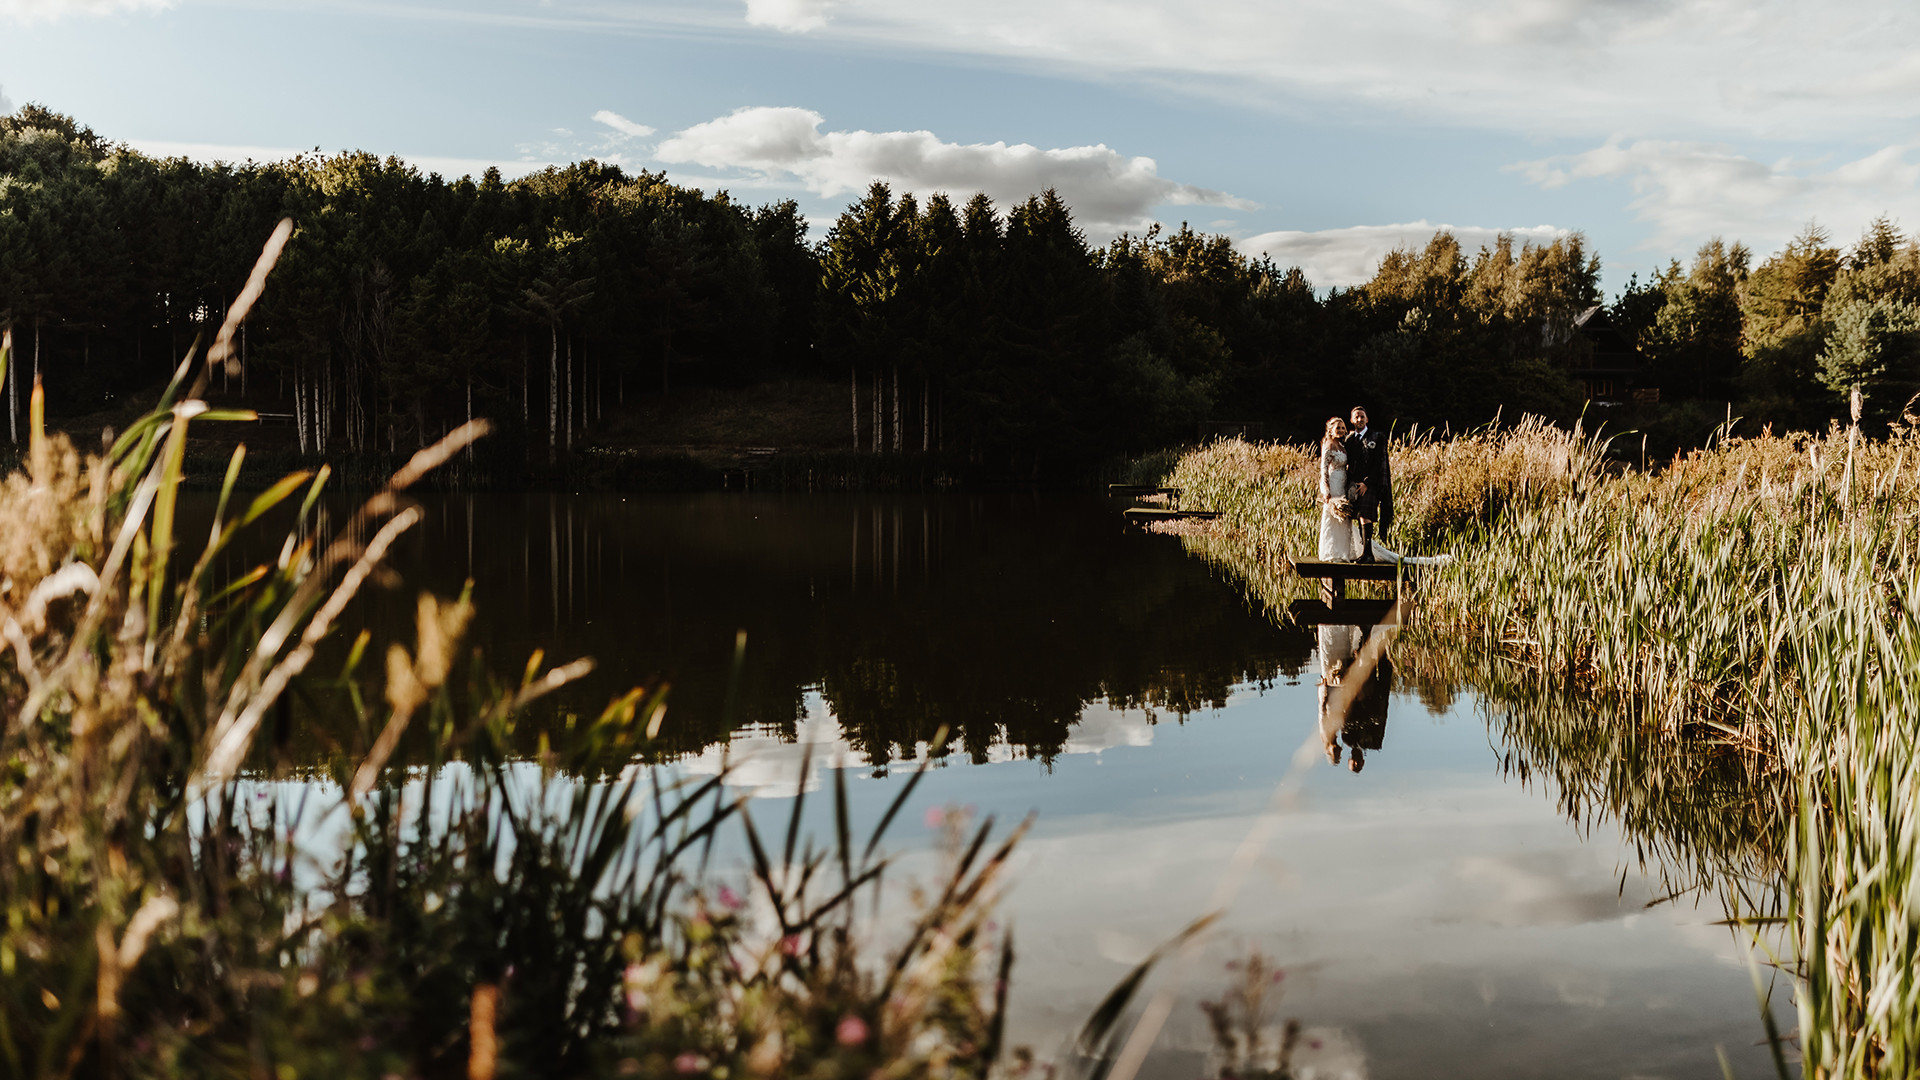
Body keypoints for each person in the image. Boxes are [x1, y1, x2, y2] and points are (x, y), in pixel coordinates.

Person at [1343, 406, 1392, 563]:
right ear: (1352, 420)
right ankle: (1359, 552)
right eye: (1356, 417)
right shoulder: (1349, 440)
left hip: (1370, 484)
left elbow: (1379, 463)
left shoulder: (1377, 437)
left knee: (1365, 516)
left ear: (1367, 419)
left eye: (1362, 416)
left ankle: (1368, 554)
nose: (1359, 419)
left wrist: (1366, 483)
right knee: (1355, 516)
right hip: (1353, 485)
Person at [1317, 417, 1360, 561]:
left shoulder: (1342, 445)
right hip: (1334, 481)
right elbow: (1323, 469)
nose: (1341, 430)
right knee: (1332, 516)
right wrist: (1326, 490)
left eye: (1343, 427)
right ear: (1331, 430)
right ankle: (1330, 552)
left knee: (1344, 517)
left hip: (1343, 483)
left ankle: (1343, 553)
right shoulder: (1328, 444)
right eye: (1338, 428)